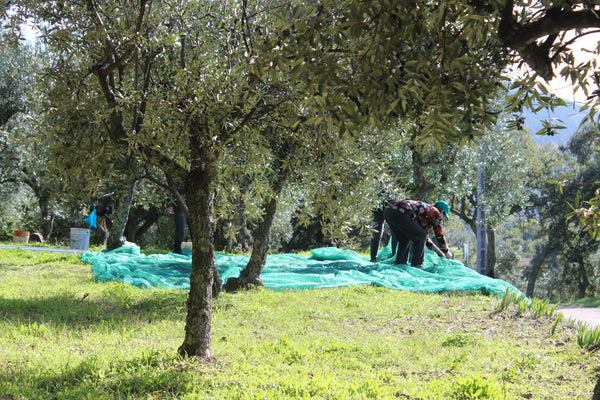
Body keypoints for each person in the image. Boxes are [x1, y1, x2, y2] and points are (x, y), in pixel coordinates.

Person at [383, 199, 453, 268]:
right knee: (420, 236)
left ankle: (400, 264)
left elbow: (425, 239)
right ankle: (417, 265)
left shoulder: (425, 211)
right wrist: (446, 251)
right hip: (401, 212)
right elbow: (439, 235)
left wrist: (439, 252)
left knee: (404, 239)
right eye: (444, 216)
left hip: (388, 211)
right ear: (442, 212)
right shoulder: (435, 212)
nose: (443, 219)